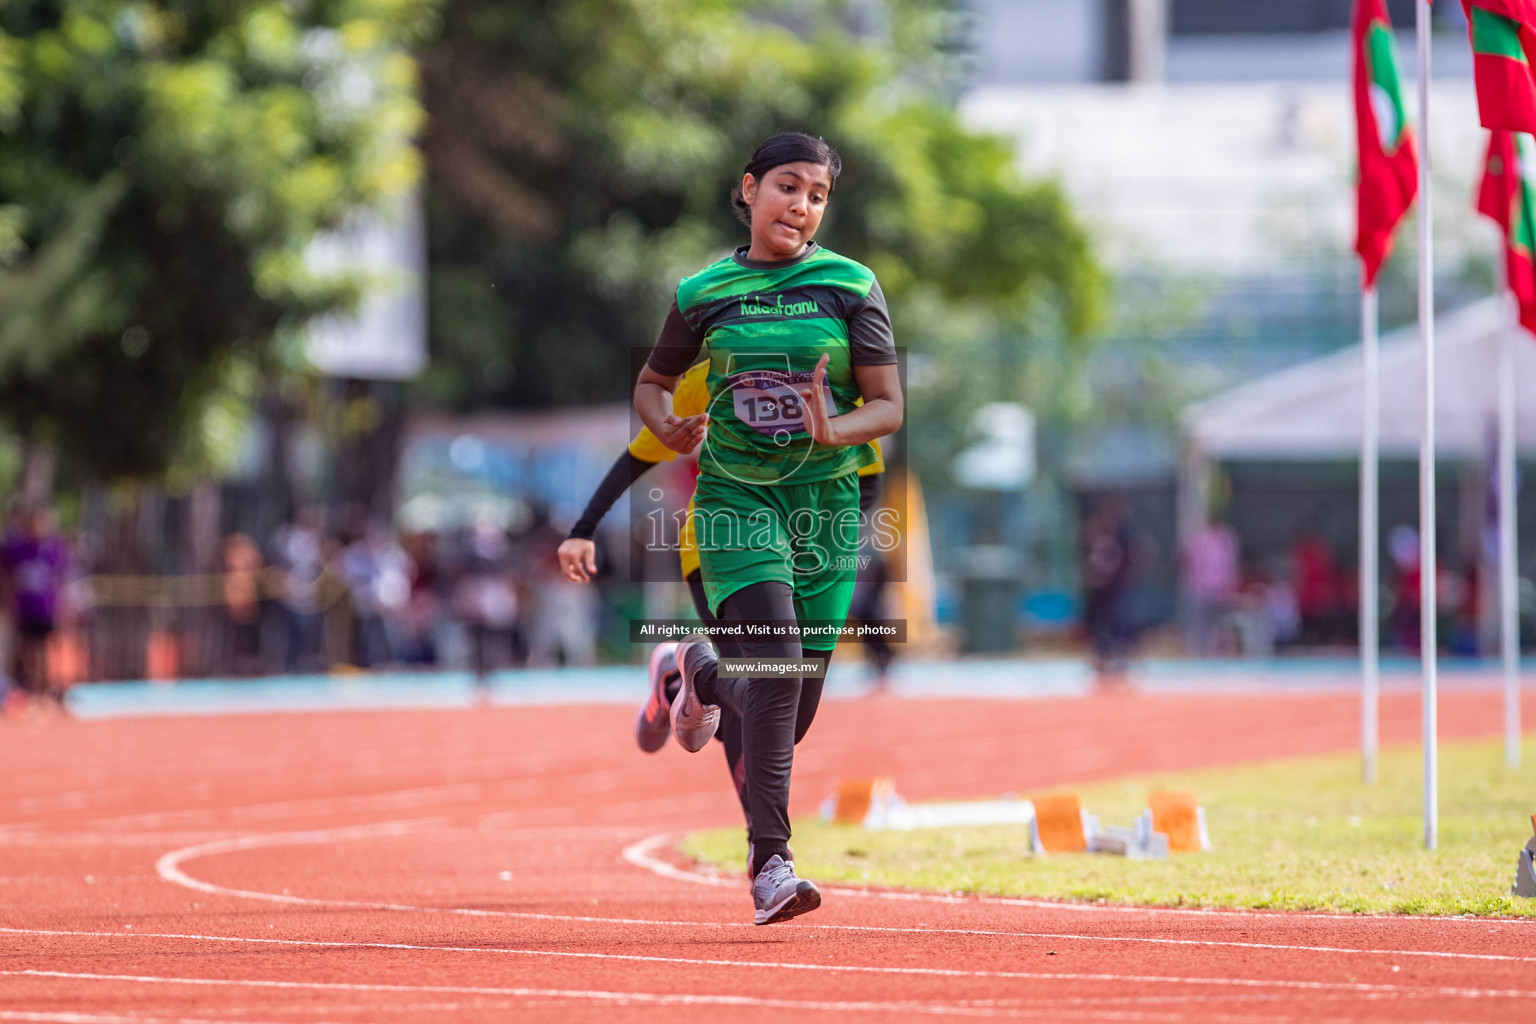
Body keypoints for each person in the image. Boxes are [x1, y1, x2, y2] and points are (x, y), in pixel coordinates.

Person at [633, 132, 902, 924]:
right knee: (779, 670)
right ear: (748, 190)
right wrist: (671, 423)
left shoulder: (852, 286)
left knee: (787, 711)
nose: (803, 206)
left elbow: (887, 406)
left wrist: (834, 431)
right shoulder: (702, 292)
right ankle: (771, 864)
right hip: (736, 503)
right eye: (789, 186)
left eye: (817, 195)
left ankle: (695, 674)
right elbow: (651, 386)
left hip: (824, 511)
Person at [556, 362, 888, 833]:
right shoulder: (705, 380)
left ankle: (681, 680)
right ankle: (768, 851)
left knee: (778, 716)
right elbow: (640, 454)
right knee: (763, 690)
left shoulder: (828, 379)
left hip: (803, 558)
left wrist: (829, 537)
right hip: (719, 547)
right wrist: (583, 529)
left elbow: (869, 472)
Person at [1, 507, 69, 706]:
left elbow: (58, 581)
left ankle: (43, 693)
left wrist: (60, 606)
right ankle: (28, 691)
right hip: (24, 608)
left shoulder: (51, 550)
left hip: (44, 609)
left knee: (44, 651)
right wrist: (9, 603)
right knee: (26, 651)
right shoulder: (18, 550)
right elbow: (9, 580)